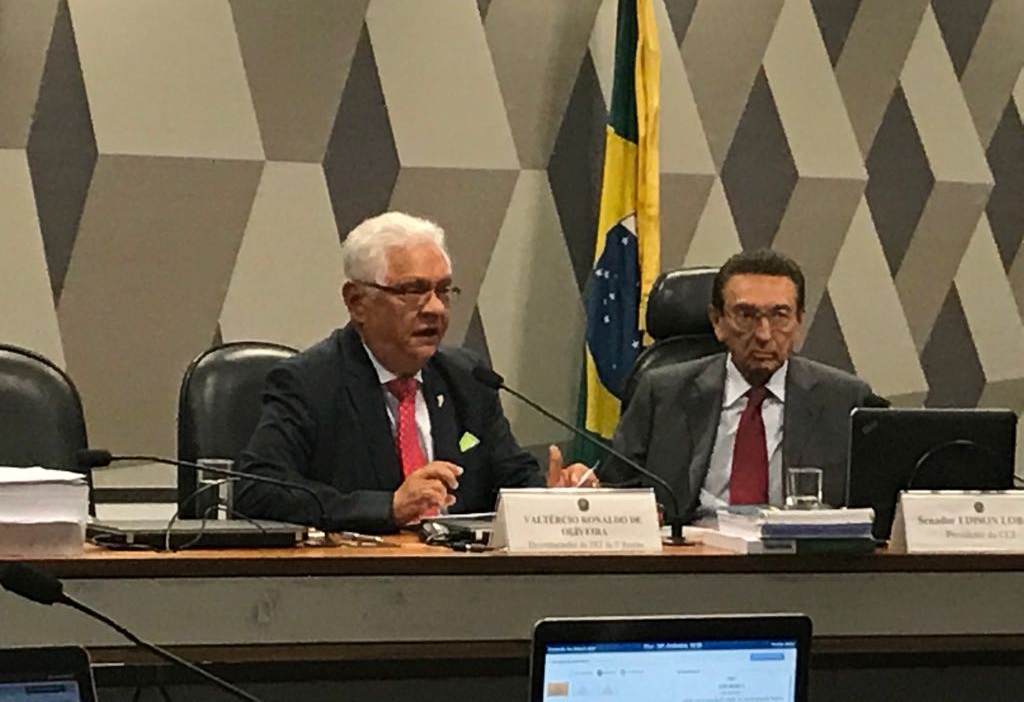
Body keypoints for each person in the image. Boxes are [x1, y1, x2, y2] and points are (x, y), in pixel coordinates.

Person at [234, 211, 594, 533]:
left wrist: (551, 498)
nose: (435, 308)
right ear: (357, 302)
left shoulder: (467, 379)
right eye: (413, 291)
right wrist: (388, 507)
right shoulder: (311, 382)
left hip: (464, 575)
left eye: (443, 290)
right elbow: (257, 489)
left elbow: (511, 479)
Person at [604, 249, 875, 516]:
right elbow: (615, 494)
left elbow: (873, 508)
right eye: (746, 316)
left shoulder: (845, 400)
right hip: (691, 541)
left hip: (799, 544)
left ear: (799, 322)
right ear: (717, 322)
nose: (764, 334)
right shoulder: (662, 393)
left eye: (779, 315)